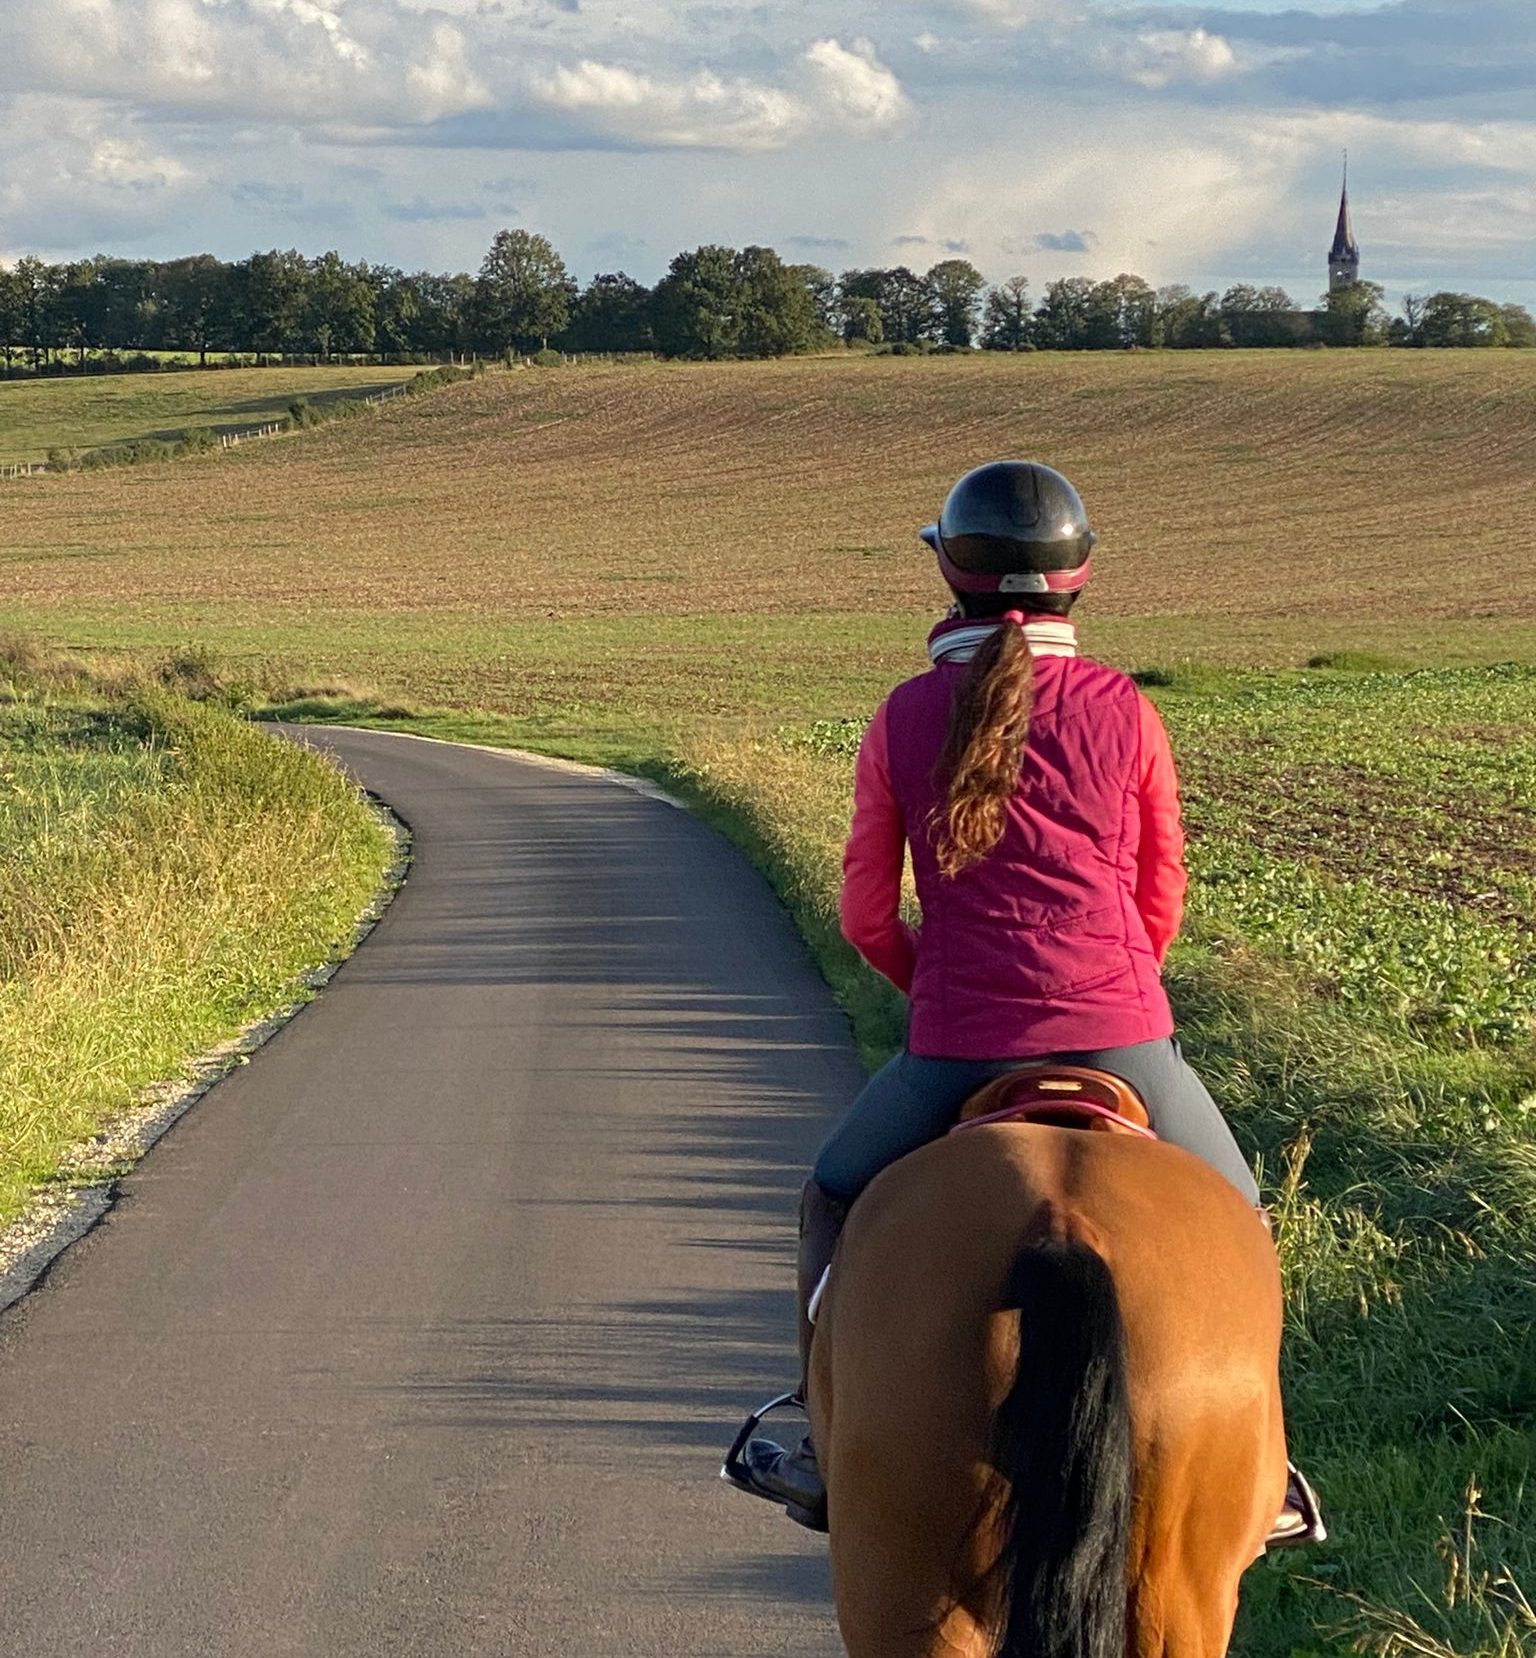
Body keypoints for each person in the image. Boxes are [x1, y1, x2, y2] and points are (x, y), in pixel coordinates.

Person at [736, 460, 1325, 1548]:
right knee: (1239, 1213)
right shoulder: (1127, 710)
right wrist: (1109, 990)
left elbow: (869, 915)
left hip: (959, 1043)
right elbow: (1160, 896)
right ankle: (1267, 1465)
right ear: (1078, 579)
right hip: (1124, 1031)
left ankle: (820, 1444)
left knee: (828, 1196)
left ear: (951, 575)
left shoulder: (906, 715)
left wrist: (952, 997)